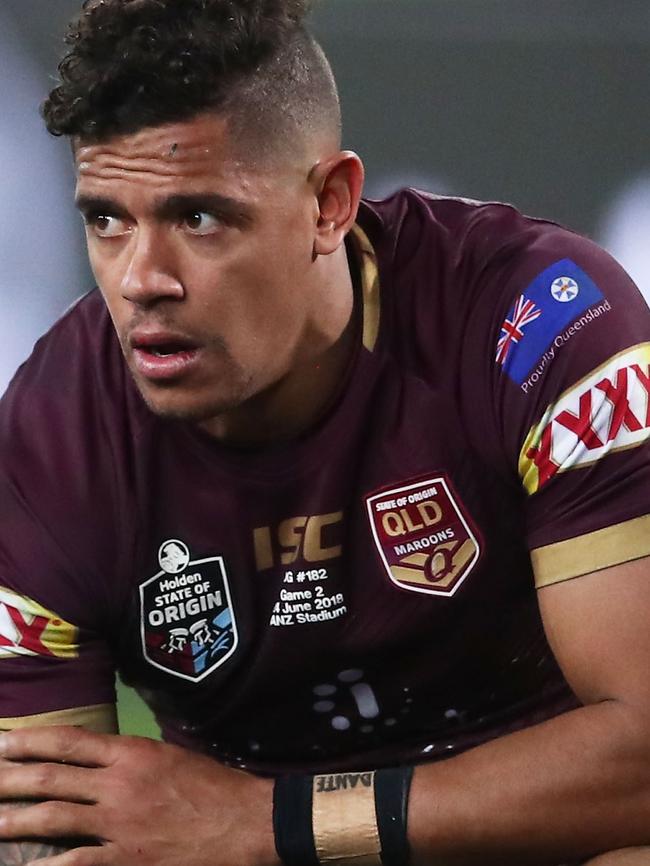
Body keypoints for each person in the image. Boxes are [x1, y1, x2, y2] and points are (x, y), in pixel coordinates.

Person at [0, 0, 649, 864]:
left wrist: (270, 826)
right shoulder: (51, 442)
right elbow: (52, 834)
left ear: (330, 205)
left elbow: (643, 758)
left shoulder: (540, 329)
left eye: (198, 218)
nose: (141, 280)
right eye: (106, 219)